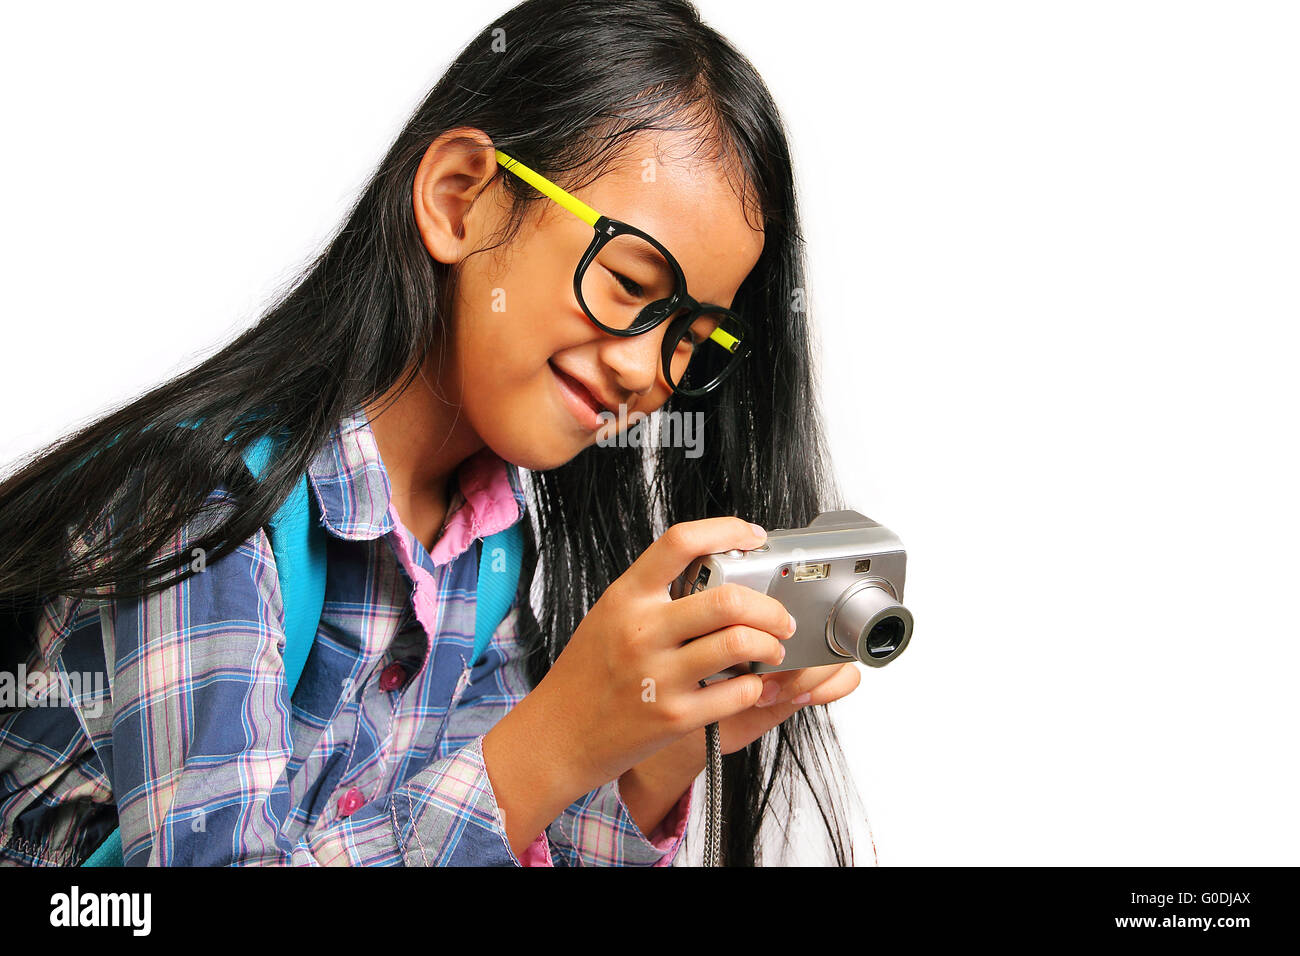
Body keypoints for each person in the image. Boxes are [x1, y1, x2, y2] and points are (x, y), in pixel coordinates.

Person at [0, 0, 863, 866]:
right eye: (631, 285)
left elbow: (487, 840)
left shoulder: (483, 550)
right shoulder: (211, 503)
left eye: (687, 336)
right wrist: (555, 739)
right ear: (460, 201)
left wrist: (657, 744)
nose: (646, 371)